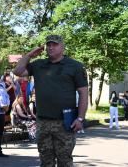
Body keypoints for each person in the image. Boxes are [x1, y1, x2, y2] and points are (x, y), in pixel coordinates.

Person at [13, 35, 88, 167]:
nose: (51, 47)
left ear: (62, 47)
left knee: (64, 161)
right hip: (43, 122)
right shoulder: (38, 65)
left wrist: (80, 118)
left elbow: (83, 93)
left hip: (65, 122)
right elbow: (18, 71)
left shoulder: (75, 66)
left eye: (55, 44)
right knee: (45, 160)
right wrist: (29, 55)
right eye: (48, 45)